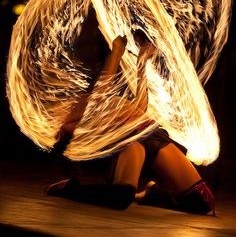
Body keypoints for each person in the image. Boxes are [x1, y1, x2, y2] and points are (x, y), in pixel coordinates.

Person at [46, 29, 215, 215]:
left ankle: (153, 194)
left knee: (203, 202)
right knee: (121, 197)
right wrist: (116, 52)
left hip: (152, 135)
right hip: (131, 143)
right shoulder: (83, 107)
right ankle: (71, 188)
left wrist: (142, 62)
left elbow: (140, 107)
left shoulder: (107, 101)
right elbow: (99, 100)